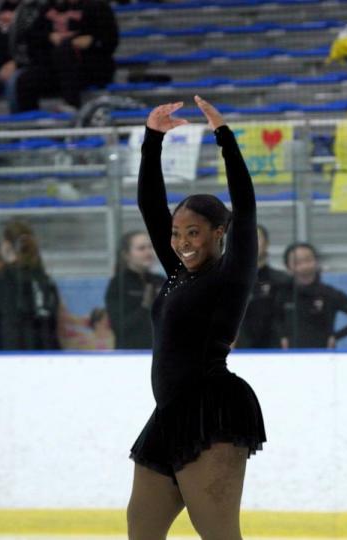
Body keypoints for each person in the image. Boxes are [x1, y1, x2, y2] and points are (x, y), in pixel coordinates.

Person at [127, 97, 265, 540]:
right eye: (176, 233)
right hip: (169, 416)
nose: (182, 242)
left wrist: (224, 137)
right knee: (142, 531)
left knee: (219, 535)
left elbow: (245, 207)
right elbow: (150, 205)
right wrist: (153, 138)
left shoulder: (230, 274)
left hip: (213, 415)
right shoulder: (178, 274)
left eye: (194, 232)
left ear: (218, 233)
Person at [16, 0, 118, 111]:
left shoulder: (97, 6)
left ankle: (71, 105)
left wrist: (92, 40)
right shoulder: (49, 8)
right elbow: (31, 36)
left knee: (65, 50)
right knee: (25, 80)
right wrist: (48, 36)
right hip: (55, 69)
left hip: (91, 67)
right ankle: (29, 119)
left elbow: (110, 39)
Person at [276, 242, 347, 349]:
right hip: (289, 356)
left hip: (324, 354)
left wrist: (337, 336)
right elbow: (275, 319)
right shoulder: (282, 294)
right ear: (288, 267)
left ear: (316, 261)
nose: (304, 265)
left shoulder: (329, 293)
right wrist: (281, 337)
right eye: (297, 262)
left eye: (308, 259)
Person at [0, 219, 62, 350]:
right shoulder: (45, 280)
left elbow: (6, 323)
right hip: (48, 354)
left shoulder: (7, 280)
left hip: (16, 355)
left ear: (7, 246)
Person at [105, 230, 164, 350]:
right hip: (130, 354)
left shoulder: (160, 281)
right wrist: (145, 306)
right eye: (141, 248)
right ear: (126, 254)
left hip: (161, 352)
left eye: (150, 247)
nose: (148, 252)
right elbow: (119, 326)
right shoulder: (118, 284)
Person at [236, 224, 290, 349]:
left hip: (274, 350)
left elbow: (287, 319)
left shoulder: (282, 280)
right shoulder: (227, 282)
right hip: (238, 352)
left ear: (267, 244)